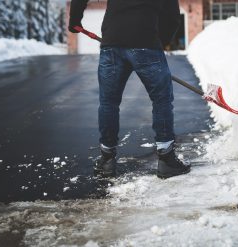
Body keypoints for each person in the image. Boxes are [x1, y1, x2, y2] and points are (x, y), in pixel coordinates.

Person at [69, 0, 190, 179]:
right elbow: (172, 17)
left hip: (112, 43)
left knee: (109, 102)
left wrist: (75, 19)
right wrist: (157, 43)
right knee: (161, 99)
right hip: (146, 43)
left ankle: (106, 160)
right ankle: (166, 160)